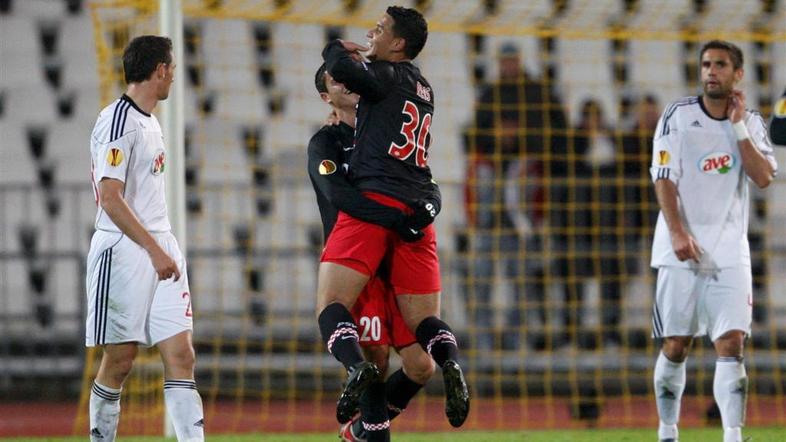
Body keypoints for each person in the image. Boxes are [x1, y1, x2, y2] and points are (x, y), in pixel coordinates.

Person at [315, 5, 470, 428]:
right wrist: (424, 209)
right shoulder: (424, 89)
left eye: (380, 30)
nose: (371, 33)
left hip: (375, 208)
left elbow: (348, 73)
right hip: (414, 210)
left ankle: (353, 369)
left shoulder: (382, 79)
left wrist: (334, 49)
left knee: (333, 309)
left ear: (398, 44)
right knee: (423, 326)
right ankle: (452, 362)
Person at [649, 40, 776, 442]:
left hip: (728, 252)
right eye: (706, 64)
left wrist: (737, 127)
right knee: (676, 344)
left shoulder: (751, 122)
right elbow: (663, 177)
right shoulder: (678, 116)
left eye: (720, 65)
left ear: (738, 74)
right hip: (679, 249)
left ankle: (733, 435)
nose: (710, 71)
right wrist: (676, 231)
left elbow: (763, 176)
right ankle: (668, 431)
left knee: (732, 342)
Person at [85, 36, 204, 442]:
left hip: (159, 244)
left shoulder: (149, 120)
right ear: (160, 71)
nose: (173, 75)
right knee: (120, 360)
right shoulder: (117, 120)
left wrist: (162, 246)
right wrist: (153, 250)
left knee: (182, 355)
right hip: (124, 250)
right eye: (171, 67)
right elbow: (111, 198)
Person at [308, 63, 436, 442]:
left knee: (421, 366)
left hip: (396, 259)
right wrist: (392, 219)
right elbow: (339, 195)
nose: (346, 84)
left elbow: (421, 177)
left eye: (348, 78)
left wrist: (428, 207)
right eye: (335, 81)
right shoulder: (326, 142)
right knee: (375, 358)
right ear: (326, 98)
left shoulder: (382, 134)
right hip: (356, 260)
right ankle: (372, 434)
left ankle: (361, 429)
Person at [466, 41, 568, 351]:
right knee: (481, 285)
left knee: (521, 286)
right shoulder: (490, 97)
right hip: (489, 221)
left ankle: (515, 342)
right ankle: (484, 345)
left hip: (520, 215)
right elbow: (474, 139)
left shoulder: (538, 94)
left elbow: (557, 131)